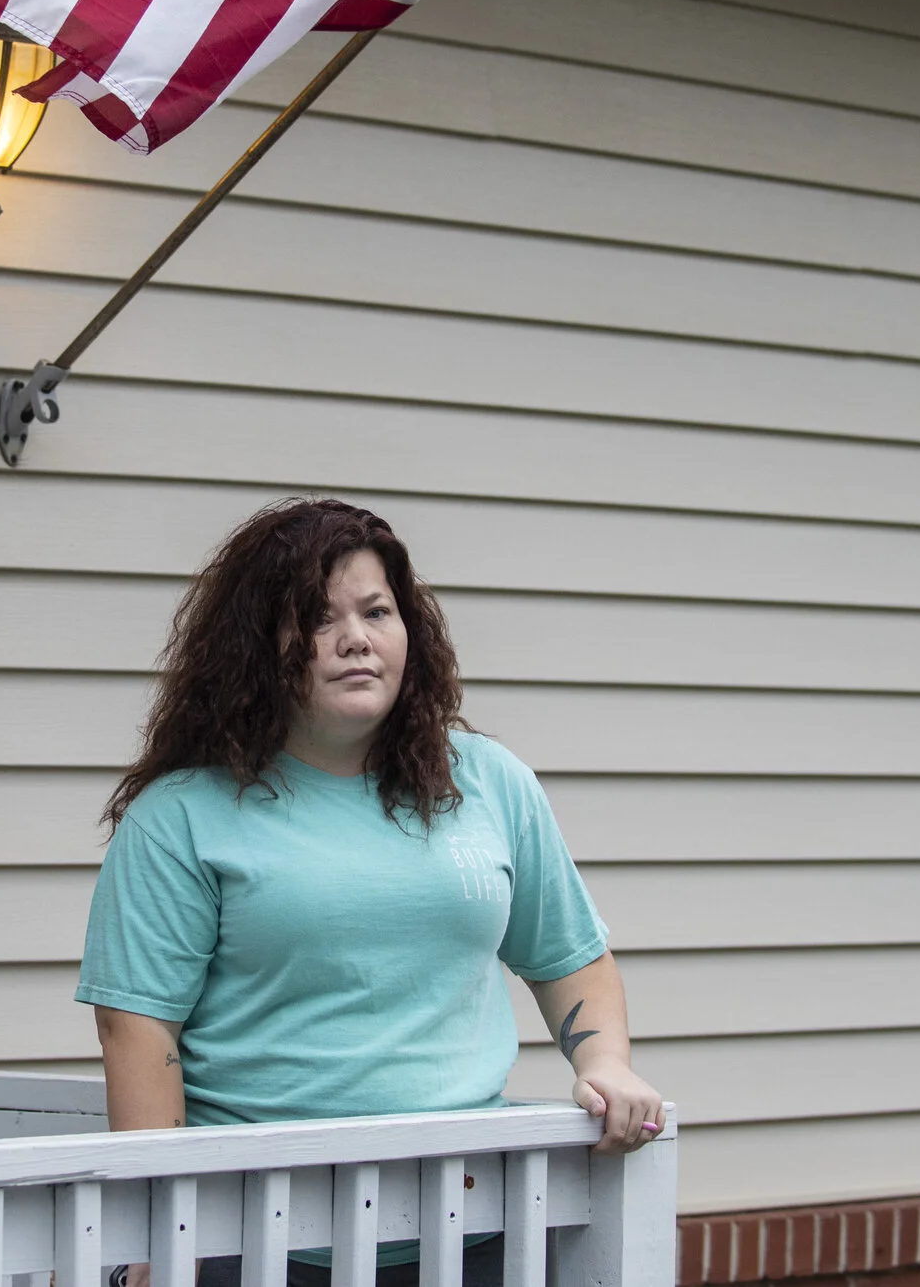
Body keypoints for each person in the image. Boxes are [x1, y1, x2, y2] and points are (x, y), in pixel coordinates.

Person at [77, 499, 662, 1287]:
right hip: (257, 1239)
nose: (355, 636)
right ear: (258, 645)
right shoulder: (181, 817)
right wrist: (156, 1229)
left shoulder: (489, 782)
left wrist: (607, 1061)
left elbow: (568, 956)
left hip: (478, 1234)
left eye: (376, 609)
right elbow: (137, 1029)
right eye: (318, 617)